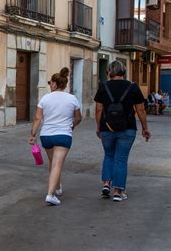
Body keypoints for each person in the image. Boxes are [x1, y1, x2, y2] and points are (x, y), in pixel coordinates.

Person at [94, 60, 151, 202]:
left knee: (108, 155)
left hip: (107, 128)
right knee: (121, 159)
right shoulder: (133, 87)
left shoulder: (103, 87)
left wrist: (99, 127)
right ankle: (118, 192)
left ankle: (106, 184)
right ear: (123, 71)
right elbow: (141, 110)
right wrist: (145, 128)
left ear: (109, 72)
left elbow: (99, 109)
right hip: (128, 128)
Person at [29, 67, 82, 206]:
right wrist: (72, 125)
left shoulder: (45, 98)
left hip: (46, 135)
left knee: (53, 164)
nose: (49, 85)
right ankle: (50, 194)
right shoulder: (72, 99)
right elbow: (78, 118)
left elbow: (37, 118)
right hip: (63, 136)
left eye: (49, 82)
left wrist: (32, 135)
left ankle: (57, 188)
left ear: (54, 83)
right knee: (57, 165)